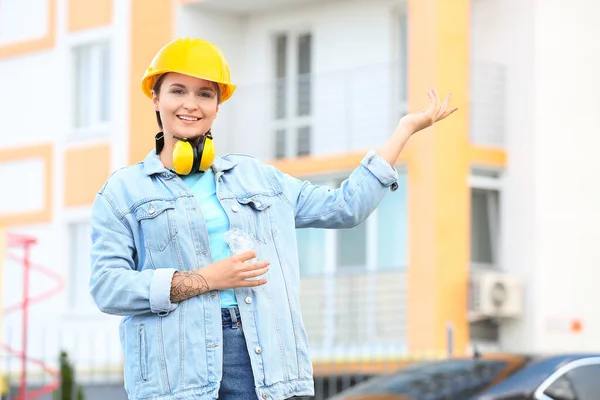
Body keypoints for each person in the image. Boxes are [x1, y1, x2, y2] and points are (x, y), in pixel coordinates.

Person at [89, 37, 457, 400]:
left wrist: (404, 129)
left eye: (205, 94)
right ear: (156, 97)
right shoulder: (123, 191)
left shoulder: (258, 178)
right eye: (178, 91)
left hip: (261, 360)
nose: (191, 104)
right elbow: (108, 286)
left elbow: (346, 207)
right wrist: (205, 279)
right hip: (176, 370)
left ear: (218, 105)